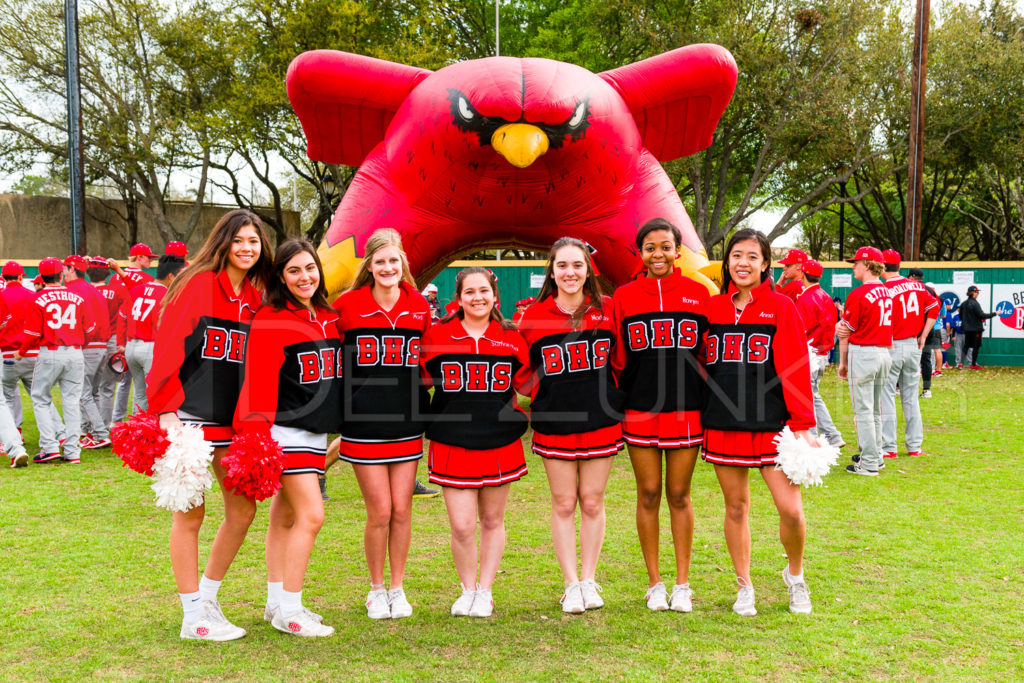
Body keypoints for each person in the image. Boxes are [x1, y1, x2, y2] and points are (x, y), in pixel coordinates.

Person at [147, 209, 272, 641]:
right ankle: (191, 616)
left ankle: (208, 598)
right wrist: (164, 409)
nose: (246, 248)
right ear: (223, 242)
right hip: (187, 418)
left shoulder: (255, 299)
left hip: (231, 422)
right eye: (238, 239)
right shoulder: (198, 284)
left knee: (243, 510)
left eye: (253, 241)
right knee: (190, 515)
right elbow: (168, 346)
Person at [701, 228, 816, 616]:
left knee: (792, 510)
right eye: (736, 255)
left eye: (752, 256)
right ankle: (744, 584)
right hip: (723, 424)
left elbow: (795, 367)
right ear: (726, 262)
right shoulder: (712, 309)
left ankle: (795, 576)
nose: (743, 263)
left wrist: (802, 424)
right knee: (736, 508)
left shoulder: (782, 307)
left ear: (766, 263)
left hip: (772, 424)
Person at [234, 238, 340, 637]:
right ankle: (291, 610)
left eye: (310, 268)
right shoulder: (271, 317)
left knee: (286, 517)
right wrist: (258, 436)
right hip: (284, 429)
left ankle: (276, 601)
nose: (304, 276)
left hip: (314, 431)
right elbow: (258, 380)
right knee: (313, 516)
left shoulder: (329, 315)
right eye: (293, 270)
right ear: (280, 276)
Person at [518, 237, 623, 614]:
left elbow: (621, 361)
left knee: (593, 501)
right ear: (552, 271)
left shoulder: (607, 309)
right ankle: (570, 584)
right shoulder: (534, 316)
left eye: (577, 265)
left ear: (587, 269)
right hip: (556, 423)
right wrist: (543, 397)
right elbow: (522, 373)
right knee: (563, 503)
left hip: (600, 421)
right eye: (562, 265)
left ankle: (590, 580)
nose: (570, 272)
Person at [331, 228, 432, 620]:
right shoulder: (348, 306)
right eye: (381, 261)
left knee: (403, 510)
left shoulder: (418, 306)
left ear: (402, 263)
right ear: (369, 266)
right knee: (380, 511)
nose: (388, 267)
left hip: (407, 421)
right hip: (363, 422)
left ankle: (397, 588)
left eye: (394, 260)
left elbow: (427, 360)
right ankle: (375, 589)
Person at [611, 217, 709, 613]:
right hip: (640, 410)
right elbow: (618, 359)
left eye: (666, 246)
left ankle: (683, 583)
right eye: (650, 247)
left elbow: (707, 353)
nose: (658, 254)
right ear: (640, 252)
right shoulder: (624, 296)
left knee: (679, 495)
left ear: (677, 250)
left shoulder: (697, 293)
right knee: (648, 493)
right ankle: (654, 582)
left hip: (687, 410)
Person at [420, 267, 530, 618]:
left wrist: (521, 415)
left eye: (484, 291)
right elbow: (418, 383)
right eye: (470, 292)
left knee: (493, 519)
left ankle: (486, 590)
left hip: (499, 441)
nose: (478, 298)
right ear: (459, 297)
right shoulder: (439, 335)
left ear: (495, 297)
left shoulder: (511, 336)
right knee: (462, 525)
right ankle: (467, 588)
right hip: (452, 440)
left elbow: (530, 385)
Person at [15, 257, 94, 464]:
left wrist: (21, 352)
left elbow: (32, 333)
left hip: (50, 351)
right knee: (71, 400)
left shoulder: (38, 298)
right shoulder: (77, 296)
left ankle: (50, 447)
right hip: (75, 352)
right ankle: (73, 451)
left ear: (42, 276)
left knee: (40, 398)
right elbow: (89, 329)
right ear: (61, 275)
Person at [836, 246, 893, 476]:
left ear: (867, 265)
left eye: (857, 262)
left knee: (864, 411)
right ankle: (876, 456)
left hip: (864, 352)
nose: (853, 266)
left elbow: (845, 331)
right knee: (876, 409)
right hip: (884, 352)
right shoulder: (887, 291)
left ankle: (869, 463)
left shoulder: (858, 293)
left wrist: (843, 361)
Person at [878, 251, 936, 459]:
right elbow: (934, 306)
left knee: (886, 396)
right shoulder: (919, 286)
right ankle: (914, 446)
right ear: (899, 266)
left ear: (883, 266)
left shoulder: (883, 289)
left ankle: (889, 447)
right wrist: (924, 335)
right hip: (913, 344)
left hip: (892, 345)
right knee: (911, 397)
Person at [117, 255, 186, 413]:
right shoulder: (168, 296)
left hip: (131, 347)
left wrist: (121, 344)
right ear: (170, 276)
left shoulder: (136, 290)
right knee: (156, 394)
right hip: (151, 348)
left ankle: (137, 431)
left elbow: (123, 317)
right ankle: (151, 432)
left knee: (139, 395)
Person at [62, 255, 112, 449]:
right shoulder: (93, 289)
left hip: (87, 345)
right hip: (101, 345)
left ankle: (100, 434)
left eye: (65, 268)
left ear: (72, 269)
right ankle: (91, 432)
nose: (63, 271)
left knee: (83, 393)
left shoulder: (71, 290)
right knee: (93, 393)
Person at [794, 259, 844, 448]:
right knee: (813, 395)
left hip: (810, 353)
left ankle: (815, 437)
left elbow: (800, 329)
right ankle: (832, 436)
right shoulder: (824, 295)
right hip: (822, 352)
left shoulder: (807, 298)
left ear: (803, 275)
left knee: (807, 397)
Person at [86, 258, 125, 444]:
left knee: (88, 390)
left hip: (92, 341)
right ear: (107, 273)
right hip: (114, 341)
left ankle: (92, 430)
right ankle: (103, 427)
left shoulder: (86, 291)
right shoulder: (117, 291)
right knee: (107, 388)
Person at [958, 285, 997, 369]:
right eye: (977, 292)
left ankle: (961, 363)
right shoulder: (975, 303)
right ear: (973, 293)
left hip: (967, 329)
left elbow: (961, 316)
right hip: (976, 329)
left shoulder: (963, 304)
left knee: (966, 345)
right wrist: (995, 313)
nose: (978, 294)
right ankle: (973, 364)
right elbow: (981, 315)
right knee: (976, 346)